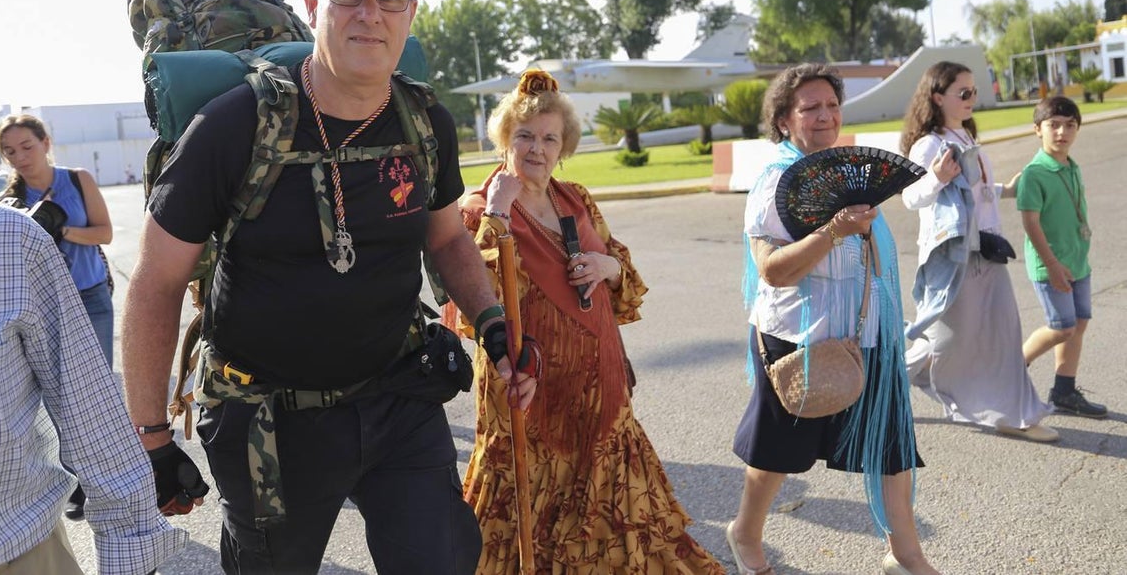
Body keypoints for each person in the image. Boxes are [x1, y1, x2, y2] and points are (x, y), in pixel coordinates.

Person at [120, 0, 536, 574]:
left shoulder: (423, 120)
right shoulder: (235, 126)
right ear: (313, 4)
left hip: (398, 398)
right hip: (271, 422)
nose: (369, 14)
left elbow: (447, 238)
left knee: (442, 559)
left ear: (409, 13)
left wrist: (492, 324)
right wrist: (151, 436)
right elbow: (157, 282)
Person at [447, 70, 724, 574]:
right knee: (527, 513)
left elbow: (625, 275)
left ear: (564, 147)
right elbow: (474, 296)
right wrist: (499, 211)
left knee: (615, 519)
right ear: (505, 139)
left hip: (599, 388)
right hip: (528, 390)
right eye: (525, 136)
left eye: (549, 138)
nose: (537, 148)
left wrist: (607, 266)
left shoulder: (576, 199)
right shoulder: (478, 207)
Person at [728, 64, 940, 575]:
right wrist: (832, 232)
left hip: (868, 333)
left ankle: (905, 554)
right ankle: (745, 534)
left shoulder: (845, 173)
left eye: (832, 105)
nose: (825, 115)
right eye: (810, 108)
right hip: (798, 338)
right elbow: (772, 271)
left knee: (890, 445)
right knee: (779, 452)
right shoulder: (776, 181)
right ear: (784, 120)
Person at [0, 198, 186, 574]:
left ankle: (78, 485)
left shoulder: (7, 237)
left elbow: (86, 407)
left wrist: (127, 545)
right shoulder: (13, 201)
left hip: (10, 549)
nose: (18, 164)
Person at [898, 62, 1055, 442]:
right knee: (941, 339)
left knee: (1002, 331)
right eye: (963, 92)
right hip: (952, 257)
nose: (972, 98)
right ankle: (884, 386)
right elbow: (910, 197)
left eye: (974, 91)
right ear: (938, 97)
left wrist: (1004, 190)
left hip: (986, 248)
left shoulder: (966, 135)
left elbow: (974, 192)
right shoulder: (928, 144)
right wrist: (936, 178)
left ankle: (1016, 414)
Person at [0, 113, 116, 520]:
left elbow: (104, 232)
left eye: (26, 146)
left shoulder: (78, 179)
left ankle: (102, 477)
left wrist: (59, 229)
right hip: (43, 307)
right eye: (10, 151)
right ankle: (78, 481)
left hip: (91, 297)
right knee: (55, 396)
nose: (20, 157)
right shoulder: (8, 201)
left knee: (94, 393)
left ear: (46, 142)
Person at [1017, 96, 1107, 418]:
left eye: (1070, 125)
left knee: (1079, 323)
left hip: (1077, 260)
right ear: (1037, 129)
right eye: (1053, 125)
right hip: (1051, 265)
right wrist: (1053, 265)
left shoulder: (1071, 165)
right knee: (1063, 327)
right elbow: (1030, 223)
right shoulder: (1035, 173)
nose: (1061, 132)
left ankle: (1065, 392)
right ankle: (1011, 366)